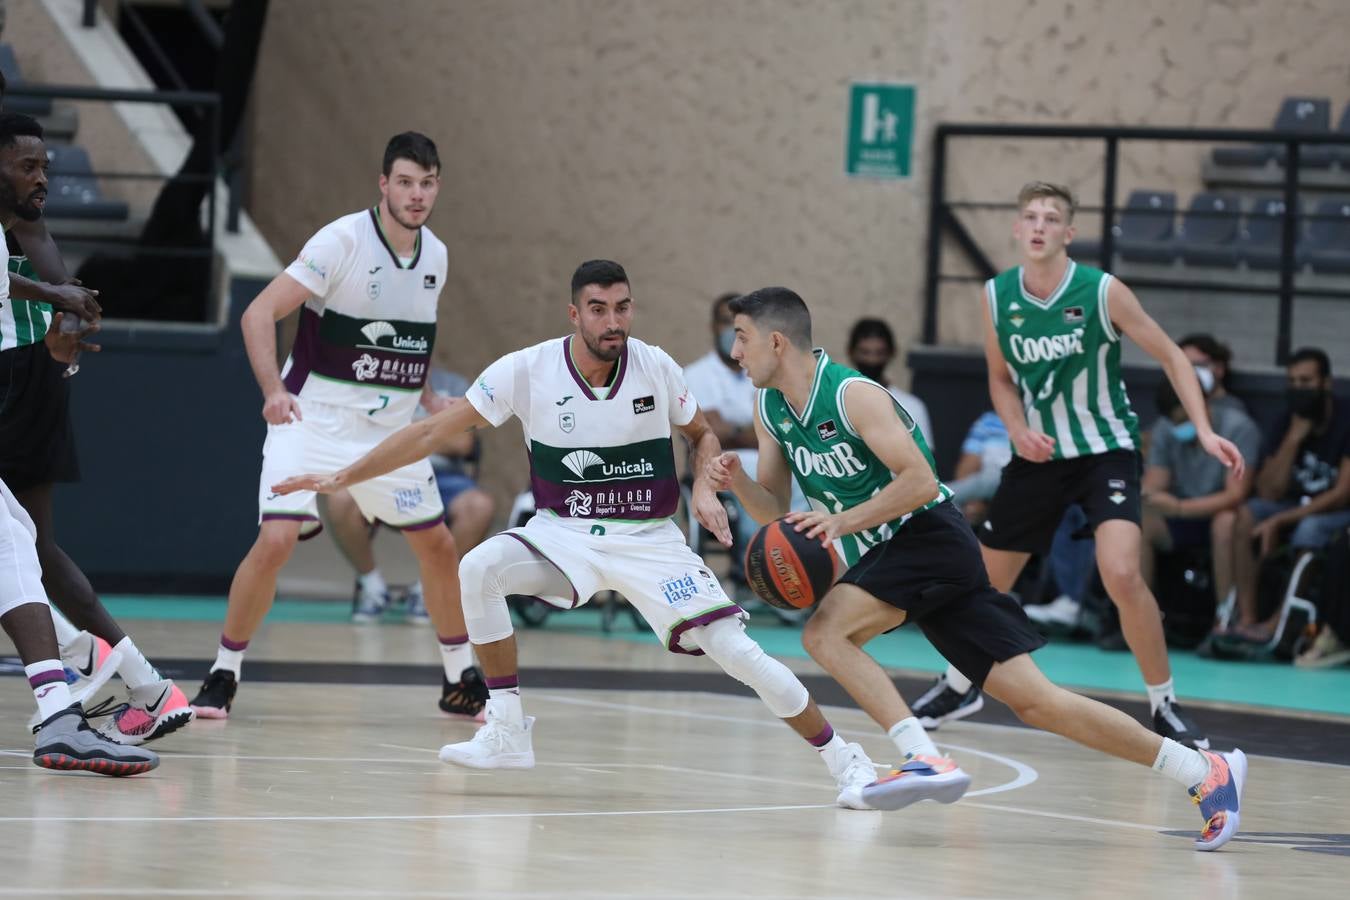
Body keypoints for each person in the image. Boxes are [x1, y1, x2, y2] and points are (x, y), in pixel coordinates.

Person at [274, 260, 909, 811]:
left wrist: (706, 484)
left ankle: (846, 761)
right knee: (479, 568)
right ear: (573, 313)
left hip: (651, 540)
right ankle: (506, 728)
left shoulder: (655, 366)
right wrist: (346, 475)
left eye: (623, 307)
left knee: (739, 654)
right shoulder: (526, 370)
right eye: (599, 309)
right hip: (563, 535)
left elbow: (699, 436)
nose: (614, 321)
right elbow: (429, 433)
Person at [711, 285, 1247, 849]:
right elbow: (774, 513)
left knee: (825, 633)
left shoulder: (853, 395)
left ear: (776, 340)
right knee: (1038, 702)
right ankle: (1203, 771)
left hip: (928, 535)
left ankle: (922, 757)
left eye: (742, 338)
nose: (736, 352)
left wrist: (843, 523)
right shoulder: (769, 407)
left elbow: (919, 480)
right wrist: (737, 481)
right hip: (901, 553)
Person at [911, 182, 1244, 749]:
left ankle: (1165, 703)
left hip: (1104, 448)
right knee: (981, 583)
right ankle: (960, 683)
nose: (1039, 226)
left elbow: (1168, 354)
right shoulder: (997, 296)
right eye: (1030, 217)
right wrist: (1016, 428)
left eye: (1051, 218)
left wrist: (1205, 428)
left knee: (1120, 572)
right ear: (1018, 229)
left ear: (1068, 233)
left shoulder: (1101, 291)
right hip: (1038, 454)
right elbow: (999, 377)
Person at [188, 132, 486, 720]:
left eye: (427, 183)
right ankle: (224, 673)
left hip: (390, 433)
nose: (417, 194)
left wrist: (427, 399)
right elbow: (257, 313)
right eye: (405, 181)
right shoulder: (341, 240)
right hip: (312, 418)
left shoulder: (437, 256)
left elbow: (411, 338)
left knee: (439, 544)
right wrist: (272, 390)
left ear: (438, 186)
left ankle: (460, 679)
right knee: (275, 543)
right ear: (383, 184)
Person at [0, 110, 192, 745]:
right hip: (29, 375)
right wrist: (63, 317)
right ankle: (128, 679)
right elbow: (63, 293)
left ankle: (120, 681)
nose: (42, 177)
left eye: (43, 166)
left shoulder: (21, 213)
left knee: (30, 549)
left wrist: (64, 327)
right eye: (30, 166)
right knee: (27, 549)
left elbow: (66, 290)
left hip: (20, 379)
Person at [326, 366, 496, 623]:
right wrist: (431, 432)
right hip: (384, 474)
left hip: (444, 479)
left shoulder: (453, 384)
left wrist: (399, 434)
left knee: (480, 507)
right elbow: (358, 437)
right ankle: (372, 586)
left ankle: (430, 590)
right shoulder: (372, 382)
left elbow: (463, 443)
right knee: (340, 499)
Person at [1224, 348, 1350, 642]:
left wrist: (1281, 520)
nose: (1298, 390)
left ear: (1326, 383)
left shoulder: (1346, 419)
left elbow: (1343, 493)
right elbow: (1268, 490)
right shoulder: (1286, 420)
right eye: (1292, 382)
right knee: (1246, 514)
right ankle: (1247, 619)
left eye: (1306, 382)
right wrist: (1293, 439)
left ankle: (1278, 623)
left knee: (1310, 527)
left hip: (1336, 512)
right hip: (1293, 504)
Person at [1141, 370, 1260, 620]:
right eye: (1175, 422)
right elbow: (1154, 484)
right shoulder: (1167, 428)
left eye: (1185, 420)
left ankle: (1225, 619)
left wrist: (1181, 508)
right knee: (1137, 521)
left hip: (1219, 514)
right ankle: (1140, 617)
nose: (1180, 428)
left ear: (1202, 404)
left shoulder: (1239, 428)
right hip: (1181, 516)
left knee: (1226, 522)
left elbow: (1235, 494)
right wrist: (1149, 496)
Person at [681, 293, 759, 581]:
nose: (730, 331)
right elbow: (711, 432)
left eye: (736, 324)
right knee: (749, 467)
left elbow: (775, 431)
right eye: (724, 323)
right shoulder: (695, 374)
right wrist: (750, 431)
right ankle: (757, 560)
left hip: (769, 461)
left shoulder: (760, 371)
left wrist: (735, 431)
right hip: (718, 467)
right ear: (712, 326)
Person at [845, 317, 932, 450]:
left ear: (891, 353)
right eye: (865, 352)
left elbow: (926, 459)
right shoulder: (836, 402)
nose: (872, 360)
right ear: (851, 353)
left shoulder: (912, 407)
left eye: (879, 353)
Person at [1178, 334, 1246, 417]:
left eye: (1199, 365)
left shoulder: (1233, 412)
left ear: (1219, 368)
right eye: (1183, 366)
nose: (1192, 372)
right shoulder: (1175, 408)